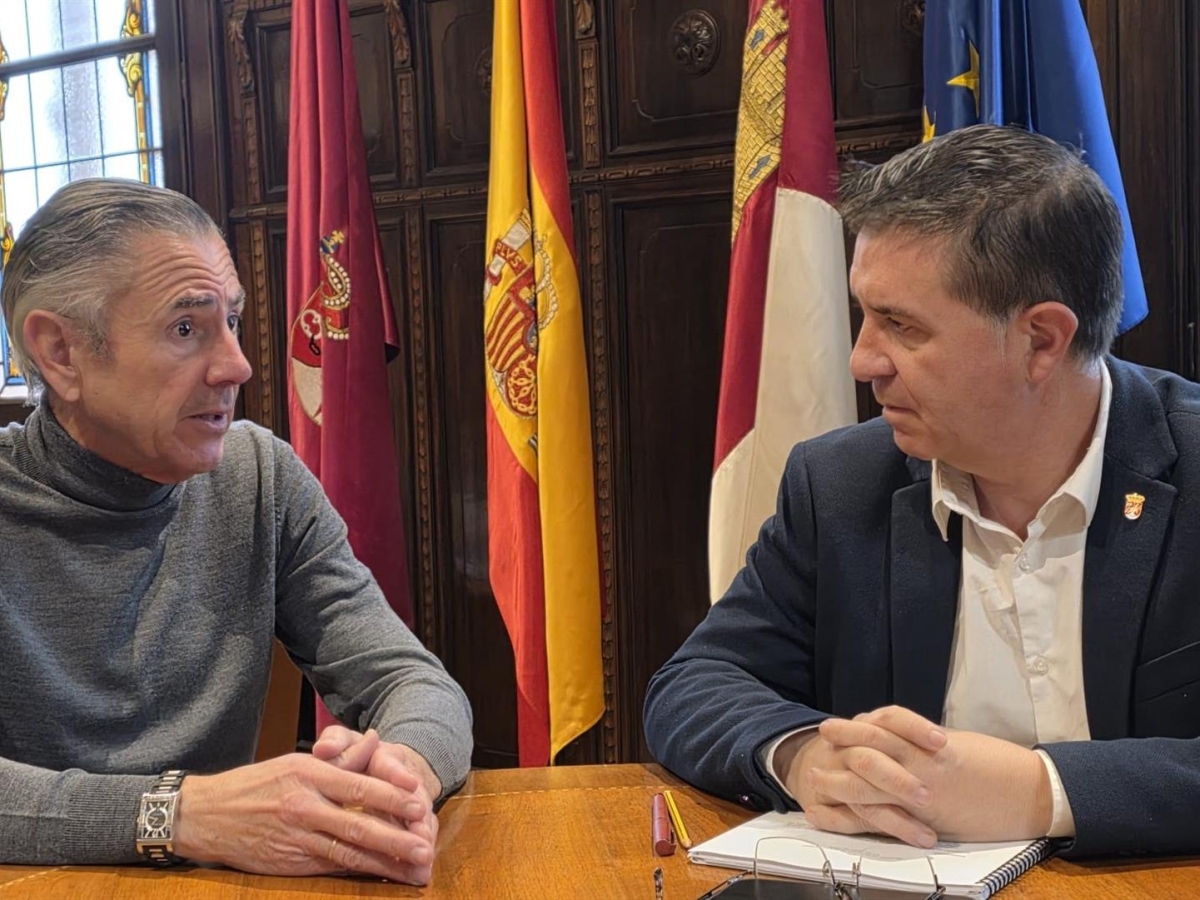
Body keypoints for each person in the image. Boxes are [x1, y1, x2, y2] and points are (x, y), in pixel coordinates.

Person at [644, 125, 1200, 858]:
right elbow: (694, 683)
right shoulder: (840, 484)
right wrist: (804, 757)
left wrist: (1038, 791)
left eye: (901, 325)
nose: (861, 361)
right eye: (864, 315)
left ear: (1041, 341)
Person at [0, 178, 473, 884]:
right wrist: (180, 813)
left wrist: (398, 775)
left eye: (233, 320)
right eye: (185, 329)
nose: (237, 365)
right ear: (61, 352)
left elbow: (414, 682)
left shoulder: (258, 478)